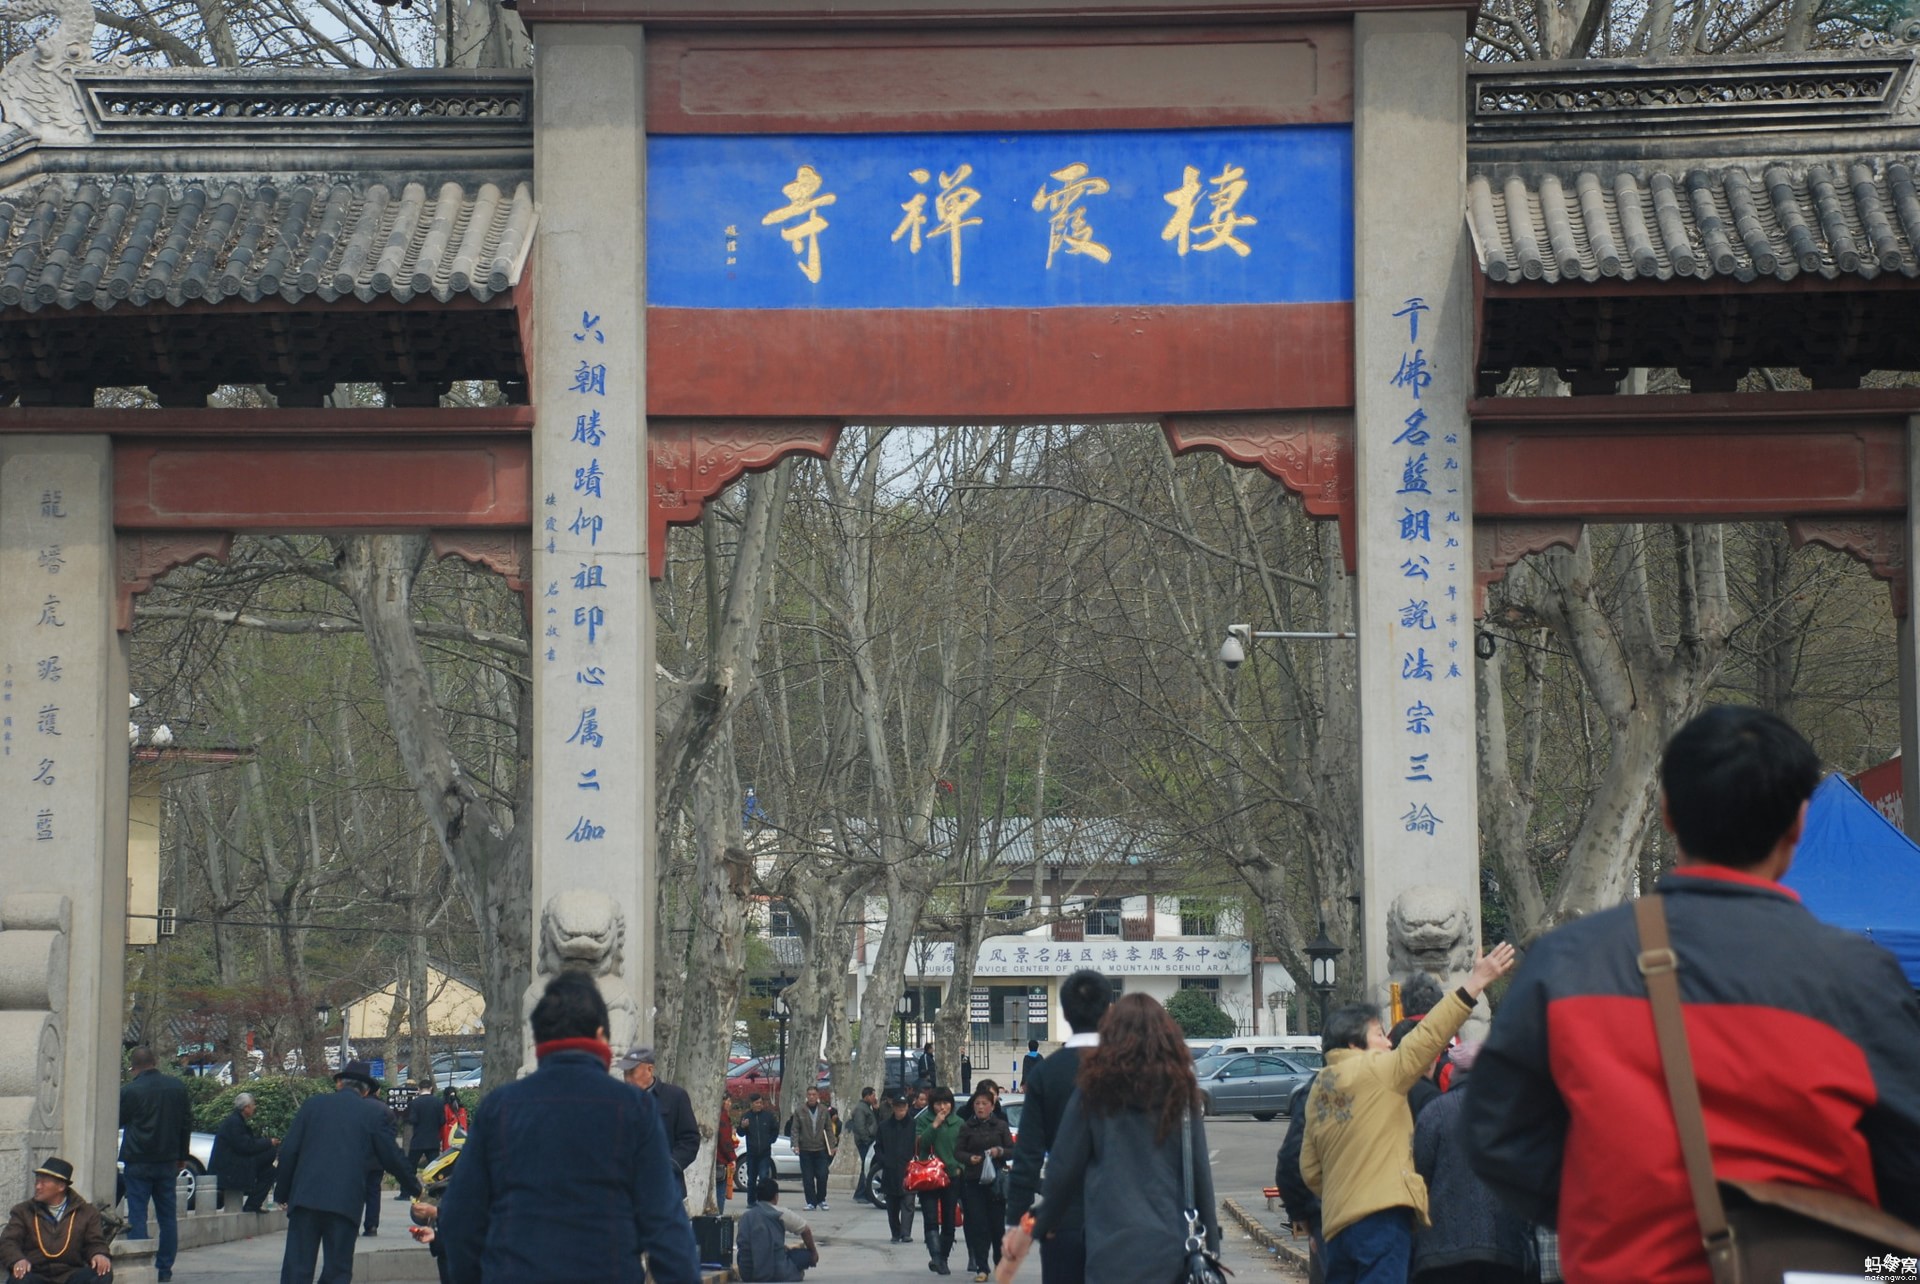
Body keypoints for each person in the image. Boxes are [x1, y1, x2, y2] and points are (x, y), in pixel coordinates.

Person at [1464, 706, 1920, 1284]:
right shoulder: (1863, 980)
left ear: (1667, 813)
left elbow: (1496, 1136)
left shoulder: (1570, 965)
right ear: (1799, 825)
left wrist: (1613, 1210)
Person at [437, 970, 698, 1282]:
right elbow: (665, 1225)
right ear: (601, 1035)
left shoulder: (500, 1108)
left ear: (537, 1039)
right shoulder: (632, 1109)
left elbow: (459, 1217)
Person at [1300, 943, 1515, 1284]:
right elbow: (1427, 1037)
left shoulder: (1320, 1088)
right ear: (1356, 1045)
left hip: (1337, 1227)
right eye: (1378, 1035)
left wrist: (1347, 1187)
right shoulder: (1379, 1070)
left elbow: (1310, 1170)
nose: (1388, 1043)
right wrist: (1476, 982)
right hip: (1382, 1219)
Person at [1001, 994, 1220, 1283]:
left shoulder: (1093, 1091)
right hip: (1170, 1248)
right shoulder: (1181, 1094)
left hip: (1109, 1249)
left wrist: (1032, 1228)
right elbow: (1200, 1174)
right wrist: (1213, 1249)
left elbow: (1063, 1170)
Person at [1004, 968, 1112, 1284]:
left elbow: (1027, 1156)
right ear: (1108, 1008)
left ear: (1064, 1013)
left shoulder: (1046, 1073)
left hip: (1061, 1221)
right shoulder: (1129, 1069)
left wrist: (1014, 1223)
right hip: (1122, 1223)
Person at [275, 1059, 424, 1284]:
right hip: (344, 1202)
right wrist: (415, 1188)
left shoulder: (312, 1106)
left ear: (339, 1084)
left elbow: (289, 1151)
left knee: (297, 1268)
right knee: (338, 1270)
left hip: (306, 1198)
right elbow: (391, 1156)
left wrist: (282, 1192)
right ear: (366, 1092)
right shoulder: (372, 1114)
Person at [1410, 1044, 1531, 1284]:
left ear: (1454, 1072)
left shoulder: (1434, 1112)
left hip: (1441, 1254)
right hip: (1504, 1252)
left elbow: (1419, 1176)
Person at [117, 1045, 191, 1284]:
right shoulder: (177, 1088)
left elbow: (119, 1120)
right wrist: (182, 1154)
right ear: (156, 1061)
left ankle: (140, 1264)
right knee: (167, 1216)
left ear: (134, 1067)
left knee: (137, 1213)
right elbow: (185, 1124)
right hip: (167, 1158)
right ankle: (165, 1268)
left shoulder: (130, 1090)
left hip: (137, 1158)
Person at [0, 1158, 112, 1284]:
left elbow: (95, 1242)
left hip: (71, 1275)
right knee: (19, 1279)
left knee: (102, 1273)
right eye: (37, 1182)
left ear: (61, 1186)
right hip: (35, 1273)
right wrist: (17, 1259)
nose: (37, 1187)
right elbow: (8, 1241)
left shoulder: (86, 1212)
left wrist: (99, 1254)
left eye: (43, 1183)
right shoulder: (23, 1211)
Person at [617, 1046, 701, 1196]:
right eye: (625, 1074)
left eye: (632, 1073)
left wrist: (668, 1165)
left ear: (649, 1070)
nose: (627, 1079)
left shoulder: (675, 1097)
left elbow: (690, 1140)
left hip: (665, 1187)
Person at [955, 1088, 1013, 1282]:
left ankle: (1000, 1263)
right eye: (977, 1104)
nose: (980, 1107)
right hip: (974, 1181)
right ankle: (982, 1267)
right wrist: (969, 1158)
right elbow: (958, 1152)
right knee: (979, 1226)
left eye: (984, 1104)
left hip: (996, 1181)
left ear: (992, 1106)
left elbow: (1012, 1151)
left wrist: (999, 1152)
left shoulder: (1001, 1126)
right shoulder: (967, 1127)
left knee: (997, 1227)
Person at [1274, 1079, 1323, 1284]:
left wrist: (1303, 1217)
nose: (1388, 1044)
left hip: (1327, 1221)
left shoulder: (1318, 1087)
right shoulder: (1391, 1085)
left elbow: (1289, 1163)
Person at [914, 1086, 964, 1274]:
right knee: (930, 1218)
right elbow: (922, 1144)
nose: (942, 1107)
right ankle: (935, 1256)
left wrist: (960, 1168)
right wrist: (934, 1124)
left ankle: (943, 1258)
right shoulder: (923, 1121)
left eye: (946, 1103)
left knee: (949, 1219)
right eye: (938, 1103)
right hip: (928, 1176)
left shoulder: (959, 1123)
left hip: (951, 1176)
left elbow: (964, 1148)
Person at [736, 1178, 819, 1282]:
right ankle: (796, 1273)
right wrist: (814, 1252)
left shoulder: (745, 1217)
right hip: (777, 1271)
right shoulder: (781, 1213)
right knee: (806, 1256)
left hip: (748, 1273)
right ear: (776, 1197)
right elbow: (805, 1230)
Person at [210, 1091, 279, 1212]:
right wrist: (268, 1142)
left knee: (269, 1171)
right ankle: (252, 1204)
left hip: (236, 1161)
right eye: (253, 1105)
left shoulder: (236, 1121)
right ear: (246, 1107)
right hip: (231, 1166)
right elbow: (246, 1146)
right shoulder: (234, 1122)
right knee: (270, 1156)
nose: (254, 1108)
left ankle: (253, 1205)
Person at [874, 1094, 918, 1244]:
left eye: (903, 1108)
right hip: (890, 1171)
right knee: (892, 1206)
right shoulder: (884, 1126)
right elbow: (878, 1146)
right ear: (894, 1108)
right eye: (898, 1107)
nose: (901, 1111)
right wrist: (884, 1161)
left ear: (907, 1108)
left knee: (908, 1203)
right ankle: (895, 1232)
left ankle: (906, 1233)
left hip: (908, 1171)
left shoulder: (913, 1125)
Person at [785, 1086, 836, 1211]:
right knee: (807, 1178)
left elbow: (829, 1129)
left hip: (821, 1149)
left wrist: (832, 1146)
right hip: (805, 1149)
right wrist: (795, 1144)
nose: (812, 1097)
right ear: (807, 1096)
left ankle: (821, 1199)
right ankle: (811, 1202)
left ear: (818, 1096)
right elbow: (795, 1129)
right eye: (809, 1094)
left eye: (814, 1094)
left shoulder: (824, 1110)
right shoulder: (800, 1111)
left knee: (823, 1175)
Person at [737, 1094, 778, 1207]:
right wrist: (743, 1127)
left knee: (763, 1177)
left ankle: (763, 1201)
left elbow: (775, 1129)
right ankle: (751, 1201)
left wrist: (770, 1140)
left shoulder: (768, 1116)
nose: (759, 1105)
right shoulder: (746, 1116)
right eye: (757, 1103)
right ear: (752, 1104)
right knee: (751, 1179)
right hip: (752, 1153)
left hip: (765, 1153)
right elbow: (740, 1133)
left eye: (761, 1102)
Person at [847, 1086, 879, 1205]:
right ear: (867, 1096)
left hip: (868, 1140)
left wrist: (876, 1109)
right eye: (873, 1095)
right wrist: (866, 1140)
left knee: (866, 1168)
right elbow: (860, 1127)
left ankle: (864, 1193)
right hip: (865, 1142)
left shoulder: (868, 1108)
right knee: (866, 1168)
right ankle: (860, 1193)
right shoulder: (861, 1109)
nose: (875, 1098)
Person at [403, 1080, 441, 1174]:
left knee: (411, 1168)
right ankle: (435, 1187)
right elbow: (442, 1120)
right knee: (434, 1169)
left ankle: (409, 1188)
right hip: (433, 1140)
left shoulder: (414, 1103)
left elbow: (412, 1120)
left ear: (419, 1089)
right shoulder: (438, 1102)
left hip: (418, 1140)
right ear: (431, 1088)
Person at [715, 1094, 738, 1211]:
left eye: (730, 1101)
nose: (728, 1103)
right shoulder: (723, 1117)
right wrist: (732, 1158)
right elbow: (725, 1140)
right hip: (720, 1160)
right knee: (720, 1193)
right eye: (726, 1101)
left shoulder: (716, 1114)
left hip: (716, 1159)